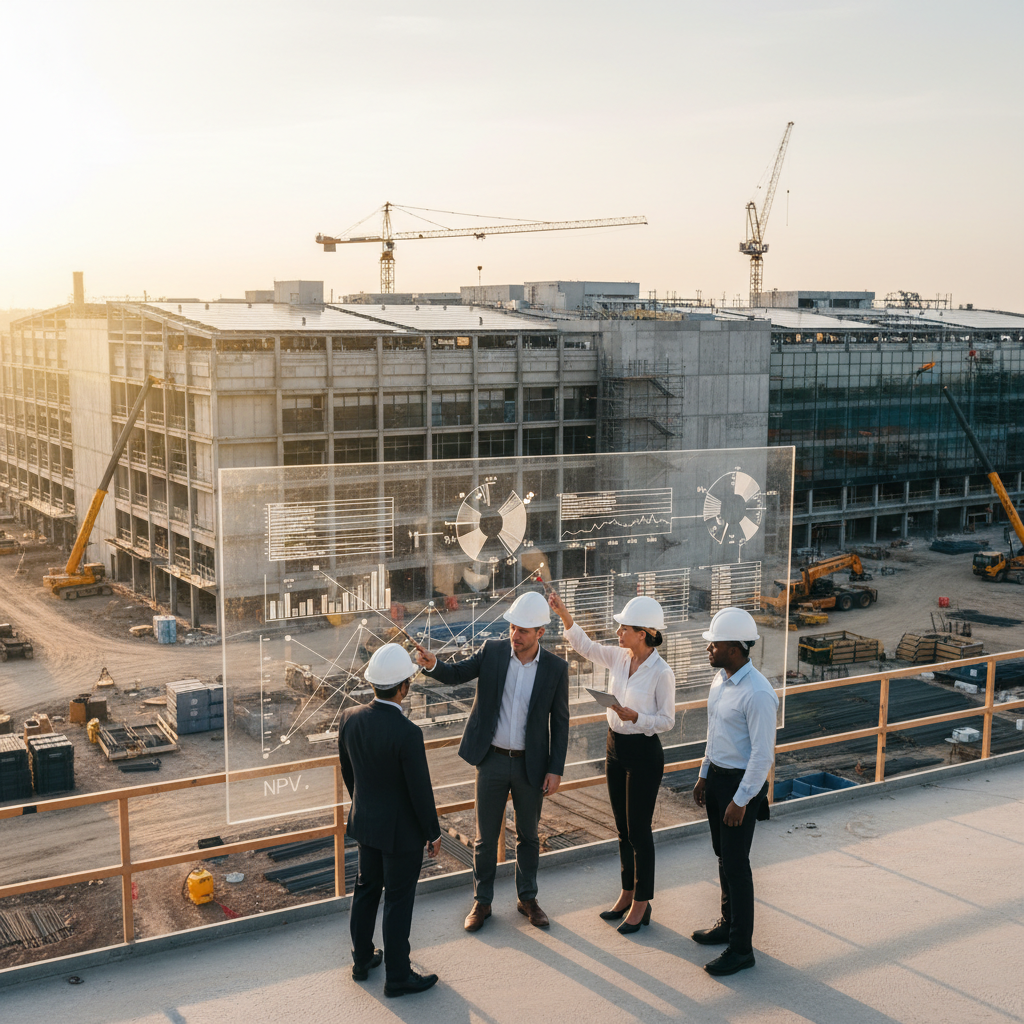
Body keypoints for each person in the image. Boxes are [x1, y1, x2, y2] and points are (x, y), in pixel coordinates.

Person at [415, 590, 569, 932]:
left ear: (540, 633)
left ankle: (527, 898)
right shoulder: (494, 651)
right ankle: (482, 903)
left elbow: (560, 722)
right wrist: (433, 665)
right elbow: (458, 674)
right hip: (492, 761)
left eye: (524, 630)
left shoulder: (556, 668)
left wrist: (555, 768)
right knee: (485, 838)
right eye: (513, 627)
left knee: (528, 836)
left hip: (531, 766)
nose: (515, 634)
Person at [549, 592, 675, 935]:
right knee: (622, 828)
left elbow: (666, 720)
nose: (618, 633)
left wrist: (637, 717)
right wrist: (564, 614)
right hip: (614, 746)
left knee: (639, 830)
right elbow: (586, 647)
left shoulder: (662, 672)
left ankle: (642, 903)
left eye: (624, 628)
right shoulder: (620, 658)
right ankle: (627, 892)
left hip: (644, 753)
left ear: (643, 634)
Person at [338, 643, 442, 998]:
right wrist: (433, 832)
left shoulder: (350, 718)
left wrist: (364, 807)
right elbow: (419, 791)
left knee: (366, 890)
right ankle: (398, 975)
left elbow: (348, 773)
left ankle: (362, 959)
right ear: (403, 687)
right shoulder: (408, 733)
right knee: (398, 901)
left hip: (366, 824)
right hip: (402, 835)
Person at [691, 607, 779, 976]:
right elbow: (716, 734)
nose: (708, 647)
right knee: (724, 858)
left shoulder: (757, 692)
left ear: (736, 647)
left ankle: (742, 949)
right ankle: (728, 925)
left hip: (742, 785)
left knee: (737, 865)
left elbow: (763, 755)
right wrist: (703, 774)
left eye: (714, 642)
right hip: (719, 779)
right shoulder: (722, 681)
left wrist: (741, 801)